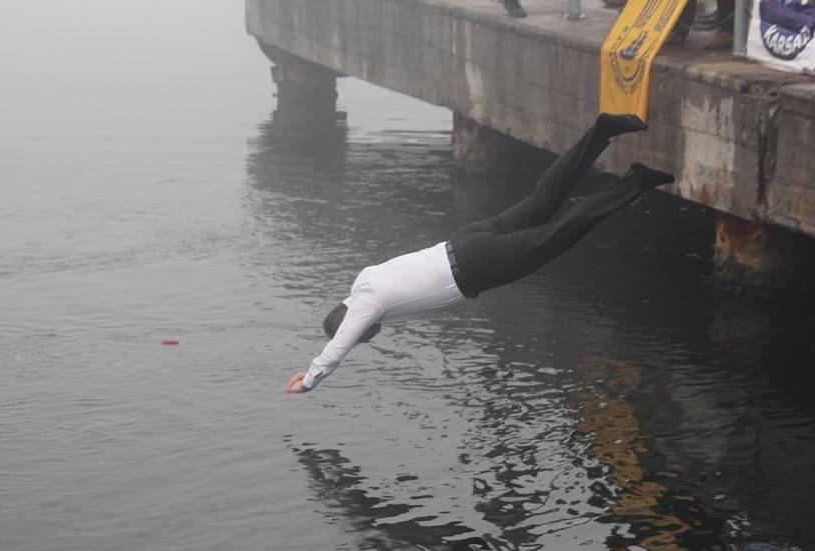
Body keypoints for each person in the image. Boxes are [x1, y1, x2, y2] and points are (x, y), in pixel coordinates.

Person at [284, 113, 675, 394]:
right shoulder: (364, 282)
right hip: (465, 241)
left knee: (560, 235)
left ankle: (635, 181)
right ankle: (601, 130)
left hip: (477, 267)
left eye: (361, 338)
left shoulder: (366, 304)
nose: (366, 340)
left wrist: (310, 380)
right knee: (542, 202)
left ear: (352, 321)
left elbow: (337, 348)